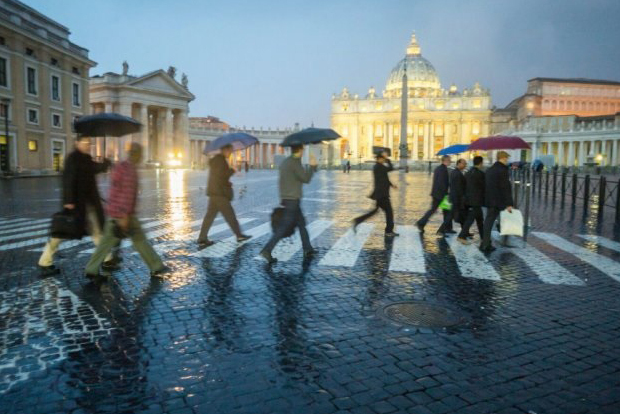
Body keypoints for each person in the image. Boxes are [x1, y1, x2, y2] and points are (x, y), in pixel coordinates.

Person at [84, 143, 169, 278]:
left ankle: (91, 269)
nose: (141, 157)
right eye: (140, 154)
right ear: (136, 155)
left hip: (114, 211)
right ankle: (156, 266)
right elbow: (127, 195)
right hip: (124, 214)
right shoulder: (130, 171)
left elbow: (114, 189)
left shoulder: (120, 166)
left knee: (105, 244)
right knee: (140, 240)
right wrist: (124, 217)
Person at [38, 136, 116, 277]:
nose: (88, 145)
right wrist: (68, 201)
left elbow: (96, 168)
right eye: (85, 143)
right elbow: (67, 179)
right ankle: (45, 261)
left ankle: (107, 258)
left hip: (89, 202)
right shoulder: (72, 158)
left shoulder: (85, 158)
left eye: (89, 143)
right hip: (76, 203)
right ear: (77, 143)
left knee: (97, 230)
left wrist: (107, 159)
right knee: (61, 232)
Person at [259, 144, 317, 264]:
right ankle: (266, 250)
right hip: (293, 200)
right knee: (283, 228)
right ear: (300, 150)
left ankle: (308, 248)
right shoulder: (295, 163)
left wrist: (283, 197)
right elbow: (306, 179)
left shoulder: (286, 162)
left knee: (302, 224)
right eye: (303, 150)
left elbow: (282, 181)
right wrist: (312, 167)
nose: (303, 151)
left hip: (288, 198)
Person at [197, 144, 251, 249]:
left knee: (210, 216)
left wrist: (228, 182)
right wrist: (232, 170)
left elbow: (219, 177)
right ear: (225, 150)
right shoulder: (220, 161)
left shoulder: (217, 160)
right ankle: (239, 235)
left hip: (214, 191)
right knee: (230, 215)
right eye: (230, 151)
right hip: (219, 193)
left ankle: (202, 238)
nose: (231, 153)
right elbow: (222, 176)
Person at [352, 152, 399, 237]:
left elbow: (385, 178)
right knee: (389, 212)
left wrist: (392, 185)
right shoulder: (378, 167)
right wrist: (388, 159)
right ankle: (388, 231)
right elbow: (390, 168)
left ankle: (357, 221)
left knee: (374, 212)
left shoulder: (379, 167)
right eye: (382, 159)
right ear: (379, 159)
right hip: (382, 194)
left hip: (380, 194)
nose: (384, 160)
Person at [479, 151, 514, 253]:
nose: (507, 160)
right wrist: (509, 203)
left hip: (490, 200)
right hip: (498, 201)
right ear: (503, 158)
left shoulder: (490, 169)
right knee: (491, 221)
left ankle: (486, 242)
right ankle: (486, 244)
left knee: (489, 221)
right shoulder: (502, 170)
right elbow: (505, 188)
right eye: (506, 158)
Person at [416, 155, 453, 235]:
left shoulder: (439, 168)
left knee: (445, 211)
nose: (450, 161)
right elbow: (441, 183)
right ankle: (421, 222)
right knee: (439, 210)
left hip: (437, 193)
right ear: (445, 160)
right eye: (449, 160)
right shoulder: (443, 170)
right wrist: (445, 193)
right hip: (441, 194)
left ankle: (447, 228)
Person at [457, 156, 485, 245]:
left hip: (468, 200)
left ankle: (484, 238)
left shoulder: (467, 173)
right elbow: (484, 188)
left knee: (480, 219)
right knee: (471, 219)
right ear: (480, 163)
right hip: (476, 200)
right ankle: (461, 236)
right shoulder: (480, 174)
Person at [449, 158, 467, 230]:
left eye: (465, 164)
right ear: (459, 164)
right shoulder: (457, 173)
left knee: (459, 215)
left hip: (455, 197)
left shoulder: (455, 172)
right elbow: (459, 187)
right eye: (464, 163)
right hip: (457, 198)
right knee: (453, 215)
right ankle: (442, 230)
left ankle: (465, 231)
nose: (465, 165)